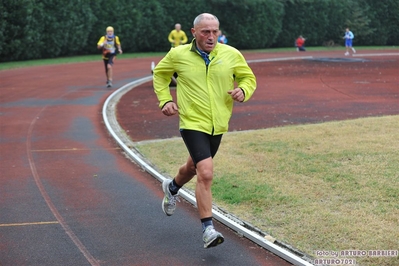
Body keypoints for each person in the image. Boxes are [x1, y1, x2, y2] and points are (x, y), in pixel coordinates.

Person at [153, 13, 256, 249]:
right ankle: (208, 229)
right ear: (193, 32)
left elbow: (247, 77)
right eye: (205, 32)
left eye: (215, 31)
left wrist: (243, 90)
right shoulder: (178, 55)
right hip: (191, 121)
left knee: (193, 167)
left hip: (218, 123)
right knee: (206, 172)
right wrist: (164, 100)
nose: (211, 36)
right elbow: (160, 75)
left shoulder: (231, 54)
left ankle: (172, 187)